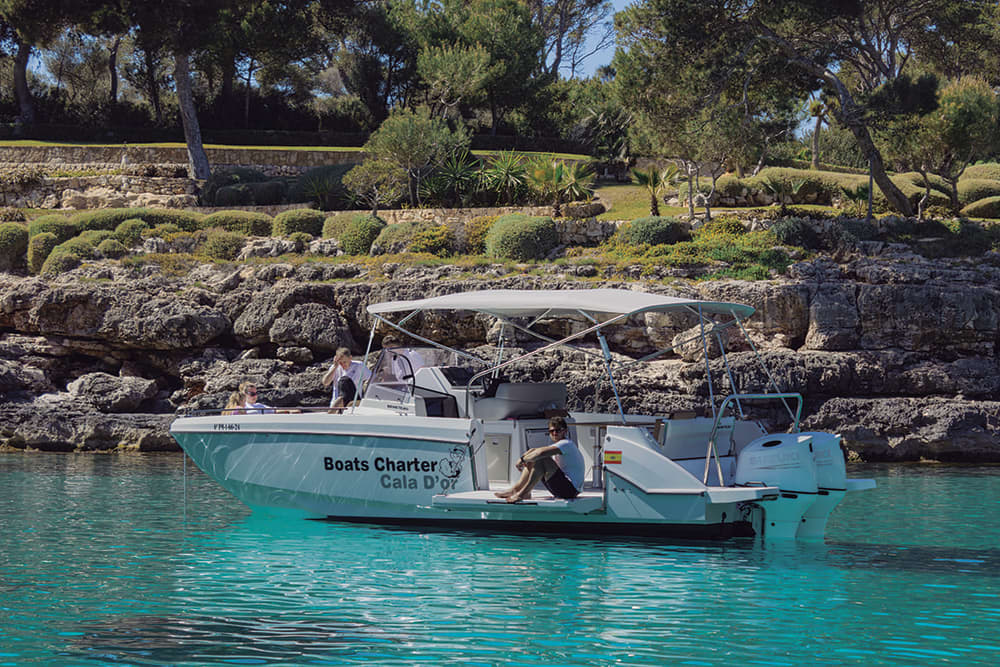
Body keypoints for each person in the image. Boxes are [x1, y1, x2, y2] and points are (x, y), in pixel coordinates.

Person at [495, 416, 584, 503]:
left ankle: (523, 493)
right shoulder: (559, 445)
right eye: (551, 431)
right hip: (563, 488)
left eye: (558, 430)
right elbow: (535, 450)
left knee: (541, 458)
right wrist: (525, 457)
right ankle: (517, 489)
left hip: (570, 491)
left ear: (565, 431)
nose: (554, 433)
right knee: (535, 457)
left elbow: (541, 453)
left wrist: (522, 460)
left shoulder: (566, 444)